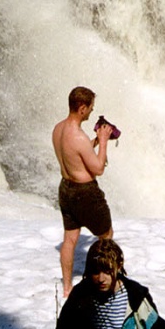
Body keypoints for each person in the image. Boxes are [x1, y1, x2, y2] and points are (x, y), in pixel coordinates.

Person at [53, 239, 165, 329]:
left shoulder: (135, 298)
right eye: (96, 272)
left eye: (107, 271)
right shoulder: (80, 297)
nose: (101, 278)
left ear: (119, 266)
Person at [53, 86, 115, 298]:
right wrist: (104, 142)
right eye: (90, 108)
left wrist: (95, 142)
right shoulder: (78, 136)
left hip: (66, 189)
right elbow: (97, 169)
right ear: (81, 107)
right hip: (85, 193)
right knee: (106, 236)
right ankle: (104, 281)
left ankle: (67, 288)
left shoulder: (58, 129)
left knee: (70, 239)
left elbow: (75, 154)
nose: (91, 111)